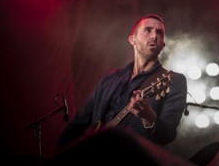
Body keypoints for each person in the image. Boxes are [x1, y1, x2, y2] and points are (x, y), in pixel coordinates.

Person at [56, 14, 188, 150]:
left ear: (163, 45)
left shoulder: (174, 80)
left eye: (159, 32)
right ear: (132, 40)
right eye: (148, 30)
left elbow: (167, 135)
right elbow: (80, 120)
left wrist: (149, 116)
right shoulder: (111, 77)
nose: (154, 36)